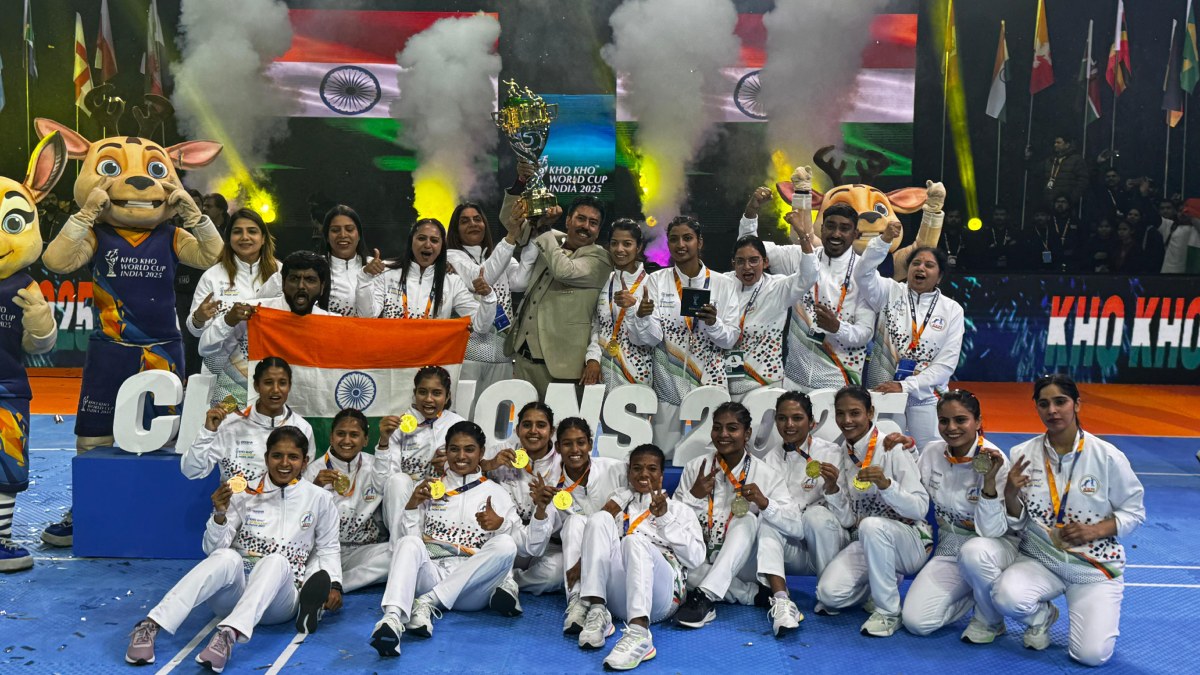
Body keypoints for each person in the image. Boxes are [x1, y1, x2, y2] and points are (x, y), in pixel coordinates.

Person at [124, 427, 341, 671]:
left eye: (293, 457)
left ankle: (228, 635)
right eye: (277, 455)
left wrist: (334, 585)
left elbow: (329, 547)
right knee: (226, 556)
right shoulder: (244, 491)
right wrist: (219, 514)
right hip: (234, 594)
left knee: (276, 561)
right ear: (266, 457)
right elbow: (212, 550)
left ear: (305, 461)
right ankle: (150, 625)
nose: (284, 463)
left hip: (279, 601)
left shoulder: (320, 499)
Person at [989, 374, 1145, 666]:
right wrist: (1010, 493)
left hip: (1092, 565)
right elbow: (1017, 522)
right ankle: (1043, 616)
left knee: (1091, 656)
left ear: (1077, 405)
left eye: (1060, 402)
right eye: (1044, 404)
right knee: (1006, 596)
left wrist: (1094, 530)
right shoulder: (1022, 454)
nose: (1052, 410)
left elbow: (1134, 512)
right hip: (1041, 559)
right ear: (1036, 408)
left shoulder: (1107, 456)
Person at [369, 421, 521, 658]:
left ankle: (427, 603)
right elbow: (408, 545)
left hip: (472, 590)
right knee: (408, 543)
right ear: (446, 451)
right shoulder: (430, 488)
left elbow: (522, 546)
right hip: (433, 575)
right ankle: (392, 619)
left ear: (481, 452)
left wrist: (501, 524)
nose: (461, 456)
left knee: (506, 544)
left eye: (469, 449)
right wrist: (412, 507)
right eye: (454, 449)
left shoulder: (497, 493)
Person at [573, 444, 705, 670]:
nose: (644, 474)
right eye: (637, 468)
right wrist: (611, 509)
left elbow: (696, 559)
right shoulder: (618, 506)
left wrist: (664, 520)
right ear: (629, 473)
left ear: (662, 475)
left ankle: (639, 633)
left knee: (634, 541)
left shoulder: (679, 510)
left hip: (662, 597)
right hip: (619, 600)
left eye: (652, 469)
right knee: (598, 519)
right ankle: (597, 611)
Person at [899, 390, 1016, 641]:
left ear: (978, 421)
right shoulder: (932, 452)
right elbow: (915, 495)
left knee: (974, 554)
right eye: (944, 421)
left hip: (991, 547)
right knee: (916, 622)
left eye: (961, 420)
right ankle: (976, 592)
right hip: (949, 546)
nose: (951, 428)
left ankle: (990, 619)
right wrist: (905, 453)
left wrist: (989, 482)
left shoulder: (996, 461)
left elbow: (991, 531)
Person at [814, 386, 930, 637]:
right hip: (868, 541)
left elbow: (920, 508)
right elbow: (848, 520)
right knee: (829, 595)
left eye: (855, 413)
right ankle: (882, 580)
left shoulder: (891, 447)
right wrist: (832, 489)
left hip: (910, 540)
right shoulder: (843, 453)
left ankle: (889, 612)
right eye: (841, 413)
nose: (847, 420)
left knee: (871, 525)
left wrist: (887, 486)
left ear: (870, 413)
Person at [672, 402, 791, 628]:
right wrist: (694, 497)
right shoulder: (695, 467)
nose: (723, 434)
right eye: (717, 428)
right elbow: (672, 523)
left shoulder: (765, 473)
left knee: (746, 519)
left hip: (743, 564)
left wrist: (764, 503)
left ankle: (705, 596)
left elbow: (796, 527)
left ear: (747, 433)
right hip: (700, 562)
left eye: (732, 428)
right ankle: (749, 594)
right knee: (674, 561)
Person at [739, 201, 877, 392]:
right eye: (830, 226)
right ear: (821, 229)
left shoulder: (864, 275)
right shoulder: (798, 257)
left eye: (844, 229)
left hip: (839, 384)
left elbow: (865, 333)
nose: (836, 234)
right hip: (794, 380)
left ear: (855, 234)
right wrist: (751, 213)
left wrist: (838, 328)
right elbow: (749, 249)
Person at [627, 217, 740, 451]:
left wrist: (713, 323)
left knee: (710, 457)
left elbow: (730, 340)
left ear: (700, 242)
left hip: (710, 385)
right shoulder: (656, 281)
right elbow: (651, 339)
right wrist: (643, 316)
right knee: (665, 457)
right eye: (674, 239)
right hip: (668, 386)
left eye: (687, 238)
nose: (681, 245)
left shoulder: (723, 284)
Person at [857, 219, 965, 449]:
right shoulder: (888, 291)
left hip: (926, 396)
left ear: (940, 276)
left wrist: (907, 385)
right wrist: (883, 241)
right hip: (884, 391)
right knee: (884, 452)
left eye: (929, 265)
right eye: (916, 263)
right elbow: (863, 273)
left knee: (929, 453)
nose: (921, 268)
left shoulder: (952, 310)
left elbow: (946, 364)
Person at [752, 391, 851, 636]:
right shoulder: (769, 461)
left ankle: (829, 591)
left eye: (797, 418)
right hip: (795, 549)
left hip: (828, 544)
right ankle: (782, 601)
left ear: (812, 422)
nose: (789, 425)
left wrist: (832, 488)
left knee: (815, 516)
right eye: (782, 418)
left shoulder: (832, 453)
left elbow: (847, 519)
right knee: (767, 520)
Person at [519, 417, 627, 633]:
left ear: (590, 444)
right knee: (573, 526)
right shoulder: (551, 484)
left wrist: (617, 501)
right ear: (558, 447)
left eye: (581, 442)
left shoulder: (615, 469)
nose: (575, 450)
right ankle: (576, 602)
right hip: (569, 551)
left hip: (613, 549)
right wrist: (541, 508)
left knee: (590, 522)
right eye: (568, 444)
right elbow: (536, 546)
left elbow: (640, 485)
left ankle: (587, 600)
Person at [504, 195, 612, 400]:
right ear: (568, 220)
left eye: (593, 223)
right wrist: (521, 189)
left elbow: (563, 271)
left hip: (562, 368)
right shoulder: (551, 239)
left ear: (598, 231)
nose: (586, 226)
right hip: (523, 358)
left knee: (561, 421)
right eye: (581, 218)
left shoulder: (601, 259)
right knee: (521, 419)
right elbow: (509, 221)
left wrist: (544, 228)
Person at [198, 251, 331, 408]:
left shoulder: (331, 323)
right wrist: (228, 321)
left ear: (322, 287)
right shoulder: (253, 311)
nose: (301, 286)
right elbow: (205, 349)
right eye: (294, 279)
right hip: (244, 404)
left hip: (303, 407)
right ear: (283, 283)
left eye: (310, 280)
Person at [188, 208, 282, 406]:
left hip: (271, 371)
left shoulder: (280, 274)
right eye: (237, 232)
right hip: (222, 372)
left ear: (263, 238)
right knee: (225, 424)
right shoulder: (213, 276)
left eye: (252, 231)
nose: (245, 237)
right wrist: (199, 318)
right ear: (229, 238)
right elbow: (197, 333)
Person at [446, 201, 540, 398]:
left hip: (501, 351)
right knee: (465, 412)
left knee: (499, 412)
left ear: (485, 225)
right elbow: (483, 276)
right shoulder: (452, 257)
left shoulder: (501, 257)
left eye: (477, 219)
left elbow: (521, 282)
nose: (473, 224)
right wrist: (511, 235)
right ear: (456, 229)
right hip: (469, 352)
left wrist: (533, 235)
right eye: (465, 221)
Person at [182, 357, 317, 482]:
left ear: (289, 386)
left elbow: (305, 478)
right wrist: (207, 432)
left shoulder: (302, 428)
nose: (276, 390)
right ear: (256, 386)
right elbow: (192, 471)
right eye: (268, 383)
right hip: (237, 501)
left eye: (282, 383)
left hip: (288, 501)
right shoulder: (229, 425)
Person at [302, 409, 394, 592]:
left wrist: (384, 442)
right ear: (331, 437)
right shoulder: (313, 471)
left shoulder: (375, 466)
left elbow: (387, 489)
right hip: (324, 551)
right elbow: (301, 518)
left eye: (354, 435)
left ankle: (337, 586)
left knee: (398, 556)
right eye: (340, 434)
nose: (346, 440)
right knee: (311, 569)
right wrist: (315, 488)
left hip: (362, 551)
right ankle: (329, 582)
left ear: (365, 440)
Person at [723, 226, 818, 402]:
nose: (747, 267)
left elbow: (808, 276)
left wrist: (803, 238)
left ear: (765, 262)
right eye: (740, 261)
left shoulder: (777, 287)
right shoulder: (723, 284)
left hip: (766, 385)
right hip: (727, 385)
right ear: (733, 263)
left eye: (754, 260)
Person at [356, 218, 497, 333]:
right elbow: (367, 316)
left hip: (431, 358)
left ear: (442, 246)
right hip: (391, 355)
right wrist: (365, 277)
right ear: (411, 241)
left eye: (434, 240)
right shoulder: (387, 271)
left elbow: (480, 326)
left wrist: (488, 296)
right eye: (421, 238)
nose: (427, 245)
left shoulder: (452, 281)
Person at [379, 366, 467, 542]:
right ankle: (399, 547)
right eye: (423, 392)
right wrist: (384, 440)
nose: (428, 399)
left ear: (447, 397)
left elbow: (473, 469)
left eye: (436, 393)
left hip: (441, 497)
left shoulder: (458, 425)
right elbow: (386, 481)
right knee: (398, 480)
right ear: (415, 394)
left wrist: (450, 467)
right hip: (405, 500)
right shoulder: (400, 425)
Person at [581, 218, 654, 390]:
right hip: (603, 372)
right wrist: (592, 358)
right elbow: (597, 326)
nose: (619, 249)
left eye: (627, 244)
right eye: (614, 243)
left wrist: (634, 307)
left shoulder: (651, 284)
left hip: (637, 374)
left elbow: (652, 338)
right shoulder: (604, 281)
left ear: (639, 247)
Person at [320, 205, 374, 317]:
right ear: (327, 237)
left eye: (349, 229)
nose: (343, 235)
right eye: (335, 230)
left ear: (359, 235)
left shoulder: (374, 267)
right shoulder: (315, 267)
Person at [1027, 134, 1088, 208]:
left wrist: (1071, 198)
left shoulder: (1077, 160)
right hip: (1050, 202)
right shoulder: (1050, 160)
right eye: (1055, 142)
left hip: (1067, 203)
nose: (1055, 145)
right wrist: (1029, 158)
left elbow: (1083, 181)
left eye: (1058, 143)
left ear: (1067, 145)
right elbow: (1035, 172)